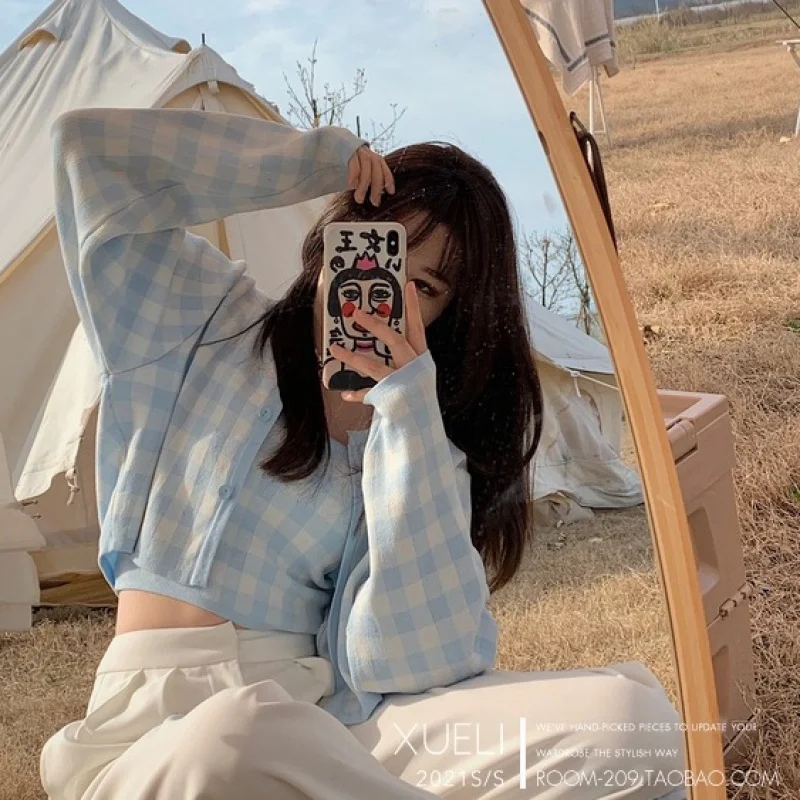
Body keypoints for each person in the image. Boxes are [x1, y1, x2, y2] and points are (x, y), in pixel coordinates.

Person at [40, 106, 687, 800]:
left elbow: (414, 664)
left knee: (635, 723)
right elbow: (88, 155)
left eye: (425, 287)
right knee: (235, 734)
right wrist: (310, 163)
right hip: (162, 743)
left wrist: (408, 411)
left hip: (326, 732)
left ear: (446, 315)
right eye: (380, 251)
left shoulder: (423, 446)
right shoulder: (205, 322)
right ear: (337, 237)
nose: (382, 294)